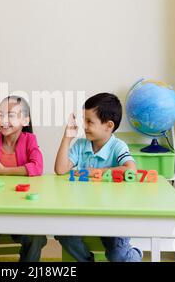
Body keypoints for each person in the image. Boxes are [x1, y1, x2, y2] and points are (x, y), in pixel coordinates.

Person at [54, 93, 143, 262]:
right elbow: (60, 169)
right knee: (63, 233)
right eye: (84, 120)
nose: (84, 126)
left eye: (89, 121)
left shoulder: (117, 146)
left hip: (114, 217)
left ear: (108, 126)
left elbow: (131, 169)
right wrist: (67, 138)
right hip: (83, 214)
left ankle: (135, 255)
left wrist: (97, 172)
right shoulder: (81, 145)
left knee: (117, 255)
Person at [0, 95, 47, 262]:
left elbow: (37, 167)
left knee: (35, 239)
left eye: (10, 115)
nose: (3, 120)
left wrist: (4, 171)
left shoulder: (29, 140)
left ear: (25, 120)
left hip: (23, 210)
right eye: (0, 114)